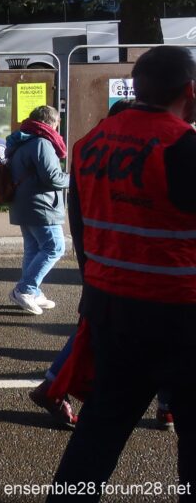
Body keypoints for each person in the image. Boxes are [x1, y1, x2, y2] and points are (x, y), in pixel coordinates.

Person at [48, 46, 196, 502]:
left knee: (99, 431)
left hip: (111, 310)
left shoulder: (92, 141)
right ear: (190, 92)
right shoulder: (184, 145)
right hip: (180, 315)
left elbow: (83, 228)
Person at [5, 105, 70, 315]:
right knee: (55, 247)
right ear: (52, 123)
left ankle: (33, 291)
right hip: (41, 206)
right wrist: (75, 177)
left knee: (33, 249)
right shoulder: (42, 142)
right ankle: (25, 289)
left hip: (24, 205)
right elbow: (52, 178)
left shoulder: (23, 140)